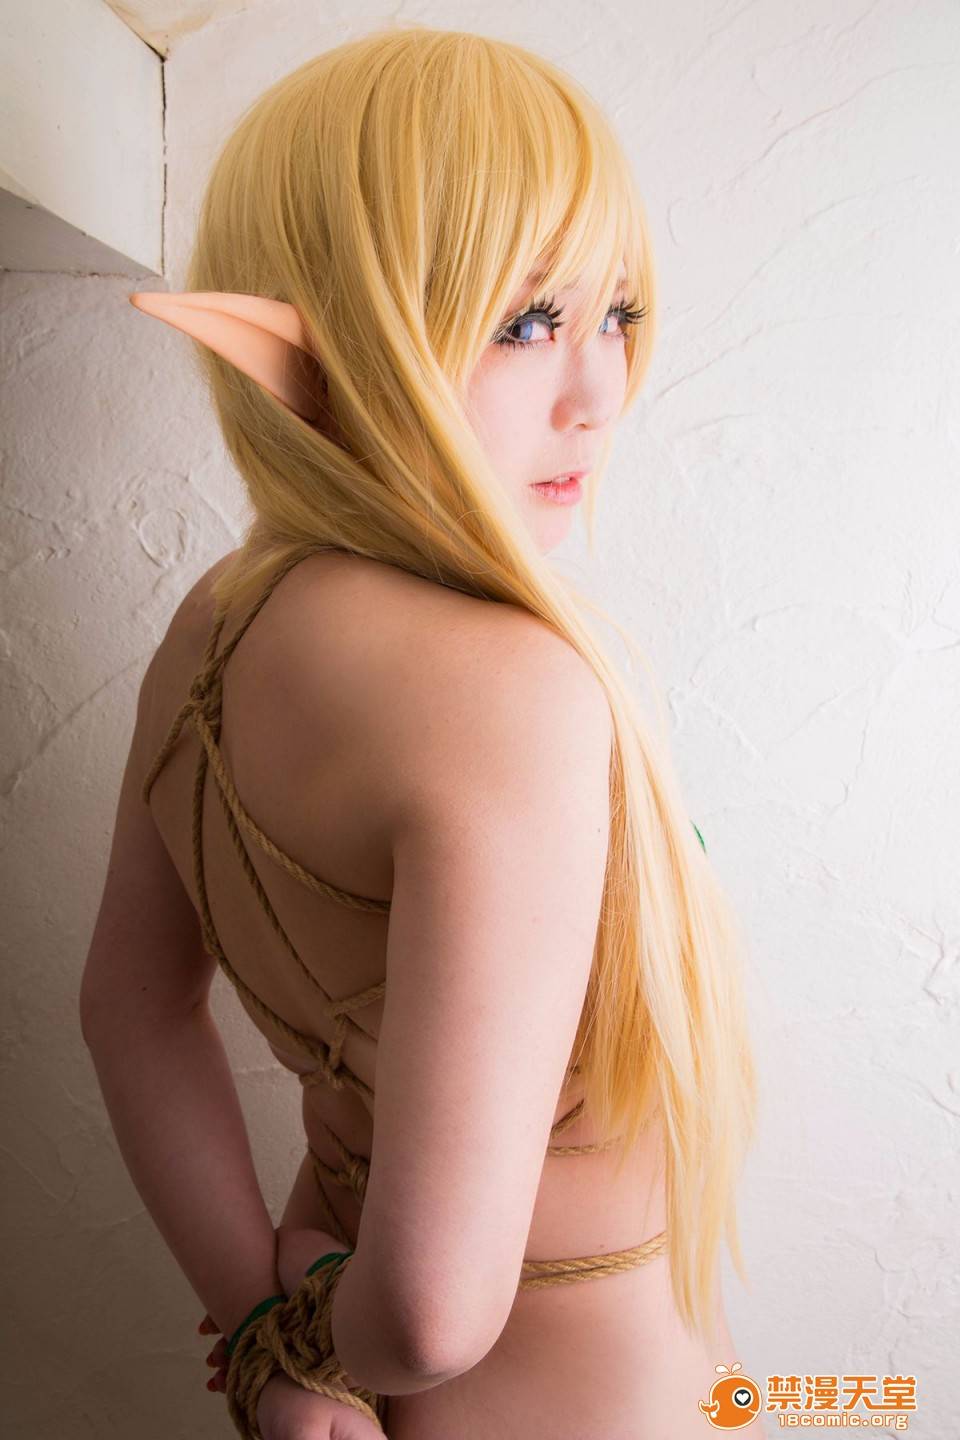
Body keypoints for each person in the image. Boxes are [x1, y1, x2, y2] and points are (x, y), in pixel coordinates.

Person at [79, 24, 760, 1440]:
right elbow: (436, 1315)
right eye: (526, 323)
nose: (600, 394)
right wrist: (323, 1333)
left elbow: (129, 1009)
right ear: (321, 337)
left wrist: (269, 1335)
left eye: (616, 313)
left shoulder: (214, 624)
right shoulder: (516, 694)